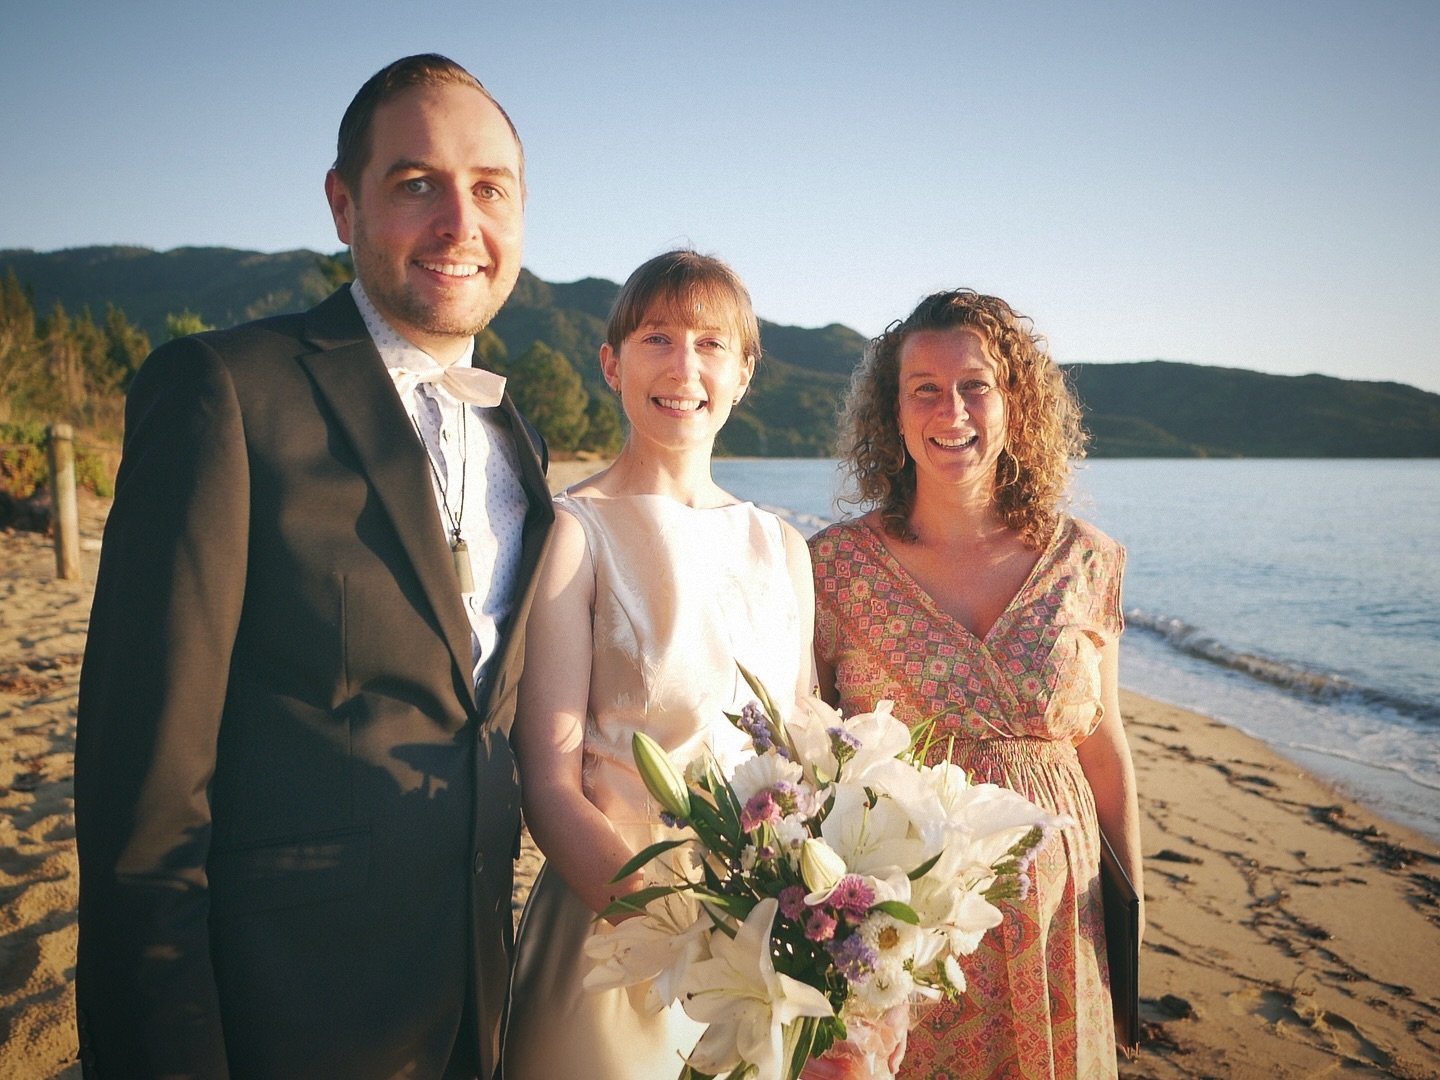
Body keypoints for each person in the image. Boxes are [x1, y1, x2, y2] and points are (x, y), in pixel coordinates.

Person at [74, 54, 553, 1080]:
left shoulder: (518, 434)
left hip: (468, 1008)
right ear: (343, 205)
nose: (459, 224)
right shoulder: (228, 393)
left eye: (489, 189)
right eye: (414, 184)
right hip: (284, 1014)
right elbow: (142, 792)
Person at [808, 289, 1144, 1079]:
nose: (950, 408)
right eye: (924, 387)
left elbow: (1104, 748)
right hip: (906, 927)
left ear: (1014, 403)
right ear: (893, 413)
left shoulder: (1088, 561)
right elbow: (812, 761)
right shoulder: (834, 569)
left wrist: (1128, 934)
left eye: (975, 385)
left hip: (1066, 924)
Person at [502, 250, 821, 1079]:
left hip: (768, 927)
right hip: (615, 926)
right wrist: (684, 937)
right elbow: (548, 785)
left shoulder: (783, 547)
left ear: (745, 372)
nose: (685, 367)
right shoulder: (576, 532)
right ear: (612, 363)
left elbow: (806, 753)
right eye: (657, 338)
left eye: (712, 344)